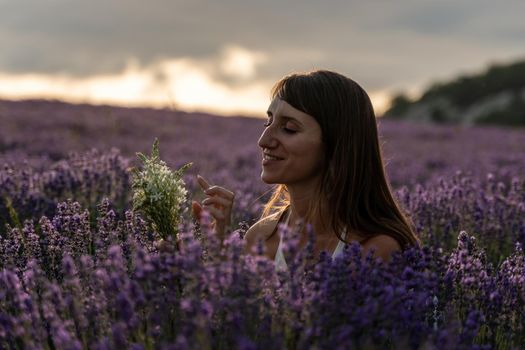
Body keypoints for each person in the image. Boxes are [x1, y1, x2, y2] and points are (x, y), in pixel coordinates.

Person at [192, 70, 421, 269]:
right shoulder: (260, 238)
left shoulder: (375, 249)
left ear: (336, 144)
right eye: (268, 122)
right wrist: (217, 252)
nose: (264, 140)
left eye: (289, 128)